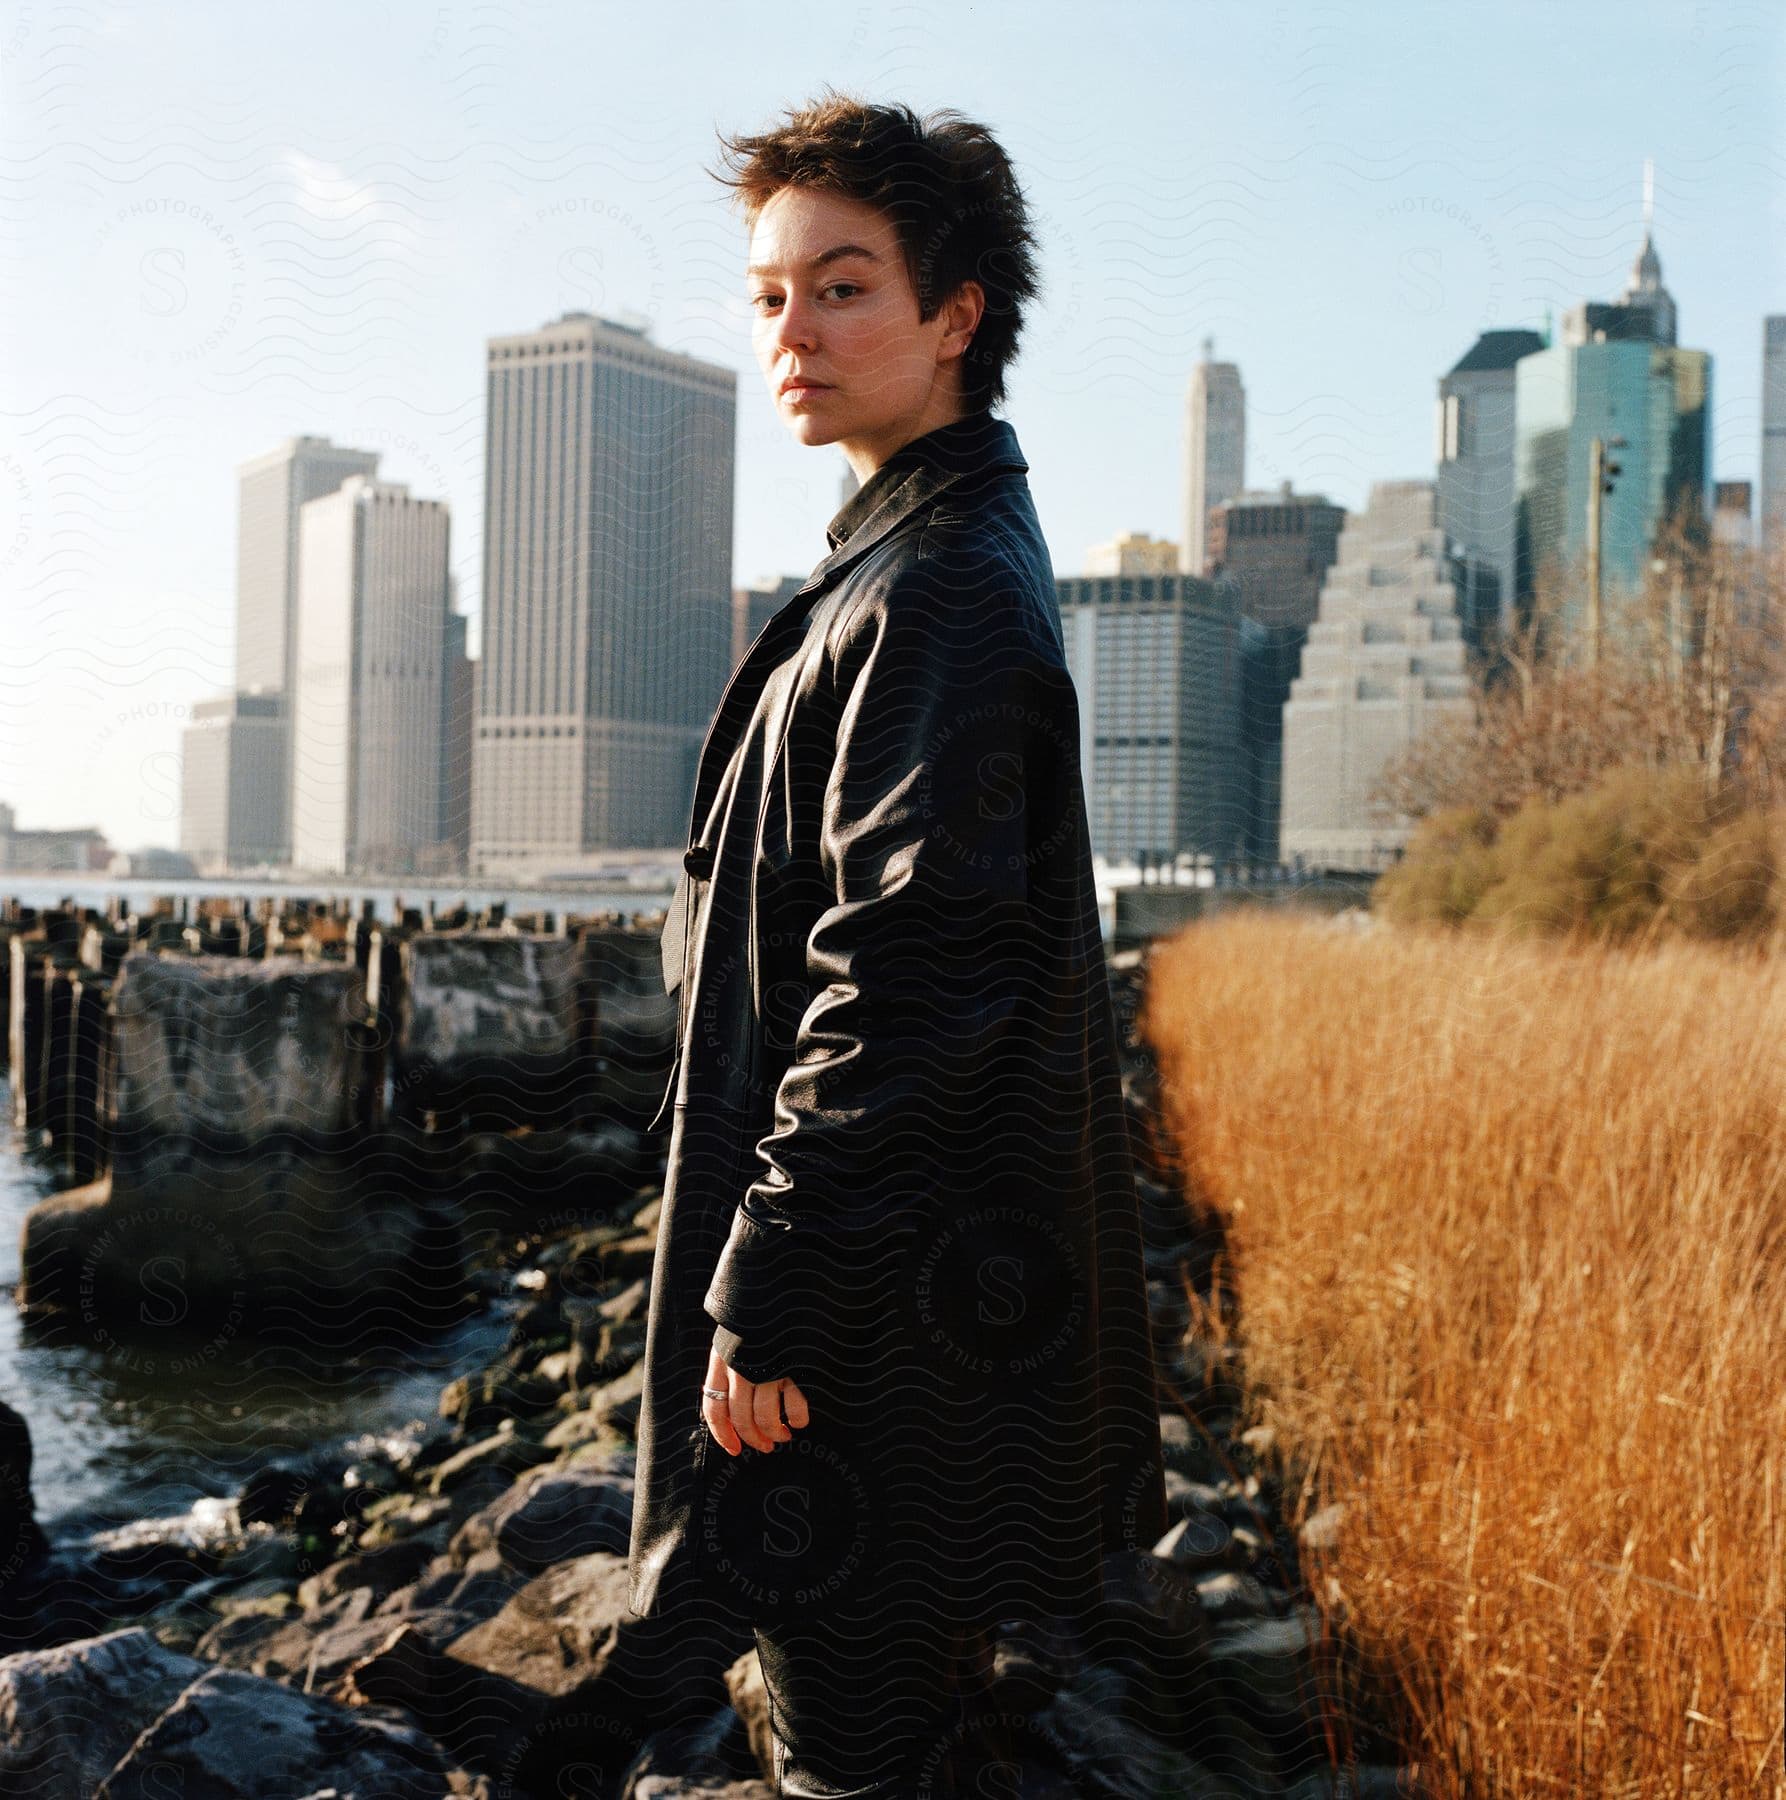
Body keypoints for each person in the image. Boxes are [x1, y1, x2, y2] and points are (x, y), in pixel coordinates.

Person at [625, 88, 1167, 1798]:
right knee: (872, 1725)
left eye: (843, 287)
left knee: (847, 1750)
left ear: (955, 316)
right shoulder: (910, 556)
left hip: (878, 1334)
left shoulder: (934, 583)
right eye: (771, 292)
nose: (793, 330)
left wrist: (769, 1293)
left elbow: (913, 977)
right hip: (907, 1300)